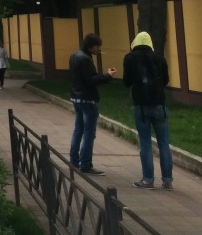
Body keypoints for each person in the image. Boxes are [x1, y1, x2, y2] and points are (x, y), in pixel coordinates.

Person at [123, 31, 173, 191]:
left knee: (145, 142)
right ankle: (167, 181)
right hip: (159, 105)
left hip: (141, 106)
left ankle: (148, 180)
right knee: (164, 143)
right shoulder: (159, 58)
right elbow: (165, 80)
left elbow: (127, 81)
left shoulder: (130, 58)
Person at [69, 33, 116, 175]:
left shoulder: (74, 56)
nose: (99, 49)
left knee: (78, 130)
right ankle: (85, 164)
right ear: (91, 46)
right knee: (89, 133)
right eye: (97, 46)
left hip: (76, 98)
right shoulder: (86, 59)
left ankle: (74, 161)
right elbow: (92, 80)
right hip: (88, 99)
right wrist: (108, 76)